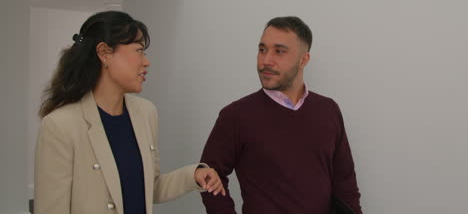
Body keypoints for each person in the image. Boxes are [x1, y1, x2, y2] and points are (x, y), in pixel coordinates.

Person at [34, 11, 225, 214]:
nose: (146, 62)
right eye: (139, 50)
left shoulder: (146, 112)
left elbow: (148, 187)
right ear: (104, 53)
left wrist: (193, 175)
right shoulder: (60, 125)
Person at [200, 16, 362, 213]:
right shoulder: (236, 116)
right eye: (262, 50)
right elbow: (208, 177)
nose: (266, 61)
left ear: (304, 60)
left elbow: (346, 186)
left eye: (279, 52)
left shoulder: (328, 111)